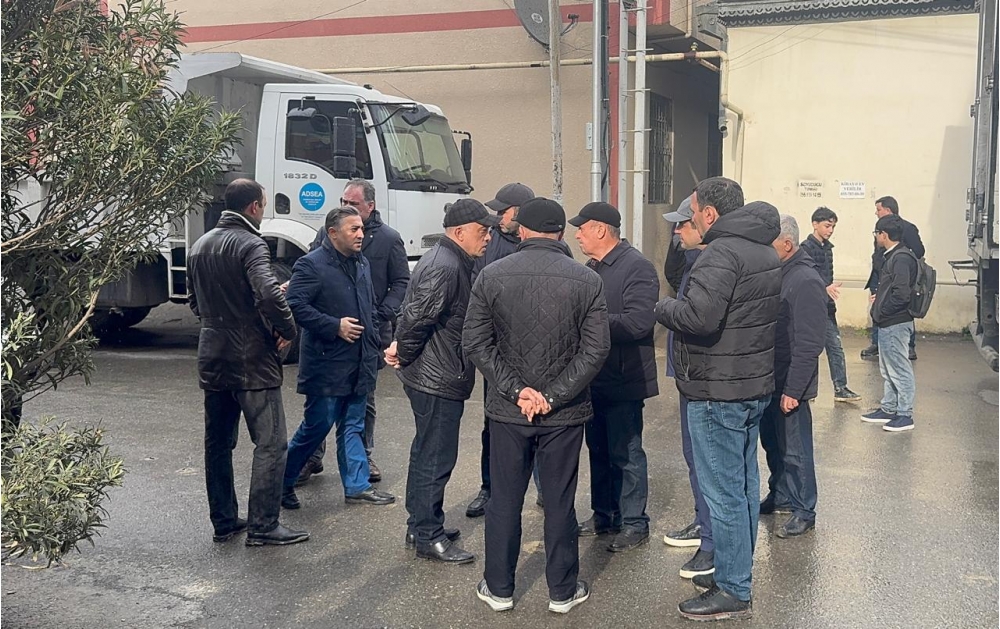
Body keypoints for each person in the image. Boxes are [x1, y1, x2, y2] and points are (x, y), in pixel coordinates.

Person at [463, 197, 610, 614]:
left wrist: (516, 391)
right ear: (560, 233)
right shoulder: (587, 279)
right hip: (564, 412)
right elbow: (596, 349)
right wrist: (553, 396)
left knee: (504, 498)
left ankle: (499, 588)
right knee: (560, 500)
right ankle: (562, 591)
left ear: (523, 231)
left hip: (509, 411)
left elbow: (475, 341)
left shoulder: (492, 274)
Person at [654, 177, 781, 621]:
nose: (688, 221)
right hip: (748, 386)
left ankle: (733, 589)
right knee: (742, 489)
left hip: (717, 391)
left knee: (724, 494)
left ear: (709, 214)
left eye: (692, 213)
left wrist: (661, 306)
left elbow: (698, 318)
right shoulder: (762, 249)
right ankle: (733, 573)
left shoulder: (721, 253)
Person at [187, 178, 308, 547]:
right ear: (254, 206)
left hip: (212, 353)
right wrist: (287, 328)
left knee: (218, 443)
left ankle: (224, 521)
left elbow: (194, 302)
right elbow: (268, 293)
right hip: (252, 358)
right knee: (271, 442)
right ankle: (264, 525)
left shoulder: (199, 244)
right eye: (263, 204)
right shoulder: (251, 243)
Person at [384, 199, 494, 564]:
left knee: (426, 451)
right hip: (436, 376)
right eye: (482, 231)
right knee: (435, 456)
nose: (488, 238)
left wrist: (404, 351)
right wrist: (403, 352)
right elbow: (416, 318)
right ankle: (428, 536)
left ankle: (420, 525)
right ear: (459, 232)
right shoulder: (446, 266)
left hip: (436, 371)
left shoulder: (449, 260)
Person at [281, 206, 395, 510]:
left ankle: (357, 486)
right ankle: (281, 481)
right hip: (326, 366)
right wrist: (334, 326)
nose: (361, 234)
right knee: (316, 427)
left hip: (360, 363)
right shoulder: (311, 265)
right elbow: (294, 305)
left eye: (362, 229)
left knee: (354, 425)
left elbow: (368, 308)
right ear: (333, 233)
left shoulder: (361, 262)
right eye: (353, 229)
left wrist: (375, 346)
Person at [298, 179, 409, 486]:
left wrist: (381, 314)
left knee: (362, 402)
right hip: (332, 337)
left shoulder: (389, 239)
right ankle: (310, 457)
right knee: (322, 403)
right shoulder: (328, 232)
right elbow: (310, 274)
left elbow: (401, 281)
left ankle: (362, 457)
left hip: (369, 333)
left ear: (370, 207)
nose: (347, 206)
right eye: (344, 201)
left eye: (353, 203)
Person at [570, 202, 658, 553]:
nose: (577, 235)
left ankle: (635, 522)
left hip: (624, 377)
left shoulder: (637, 267)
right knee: (598, 450)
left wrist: (590, 324)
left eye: (582, 228)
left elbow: (639, 322)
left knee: (627, 452)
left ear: (601, 230)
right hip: (594, 377)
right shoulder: (592, 268)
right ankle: (604, 514)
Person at [467, 182, 542, 518]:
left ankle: (544, 488)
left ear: (520, 213)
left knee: (543, 419)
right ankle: (490, 488)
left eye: (503, 210)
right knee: (494, 425)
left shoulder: (548, 244)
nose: (498, 217)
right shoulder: (490, 243)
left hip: (541, 352)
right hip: (499, 355)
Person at [760, 215, 827, 539]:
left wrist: (795, 390)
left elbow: (810, 342)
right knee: (774, 444)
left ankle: (804, 510)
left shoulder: (805, 280)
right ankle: (781, 495)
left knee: (796, 450)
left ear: (787, 244)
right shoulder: (780, 273)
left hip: (791, 383)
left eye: (769, 243)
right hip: (772, 378)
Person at [659, 195, 715, 581]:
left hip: (705, 379)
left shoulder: (714, 264)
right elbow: (672, 273)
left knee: (708, 462)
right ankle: (703, 522)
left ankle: (712, 543)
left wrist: (663, 309)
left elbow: (697, 318)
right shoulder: (693, 258)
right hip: (688, 374)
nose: (677, 230)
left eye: (684, 223)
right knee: (694, 457)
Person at [861, 214, 918, 432]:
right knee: (888, 369)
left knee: (899, 368)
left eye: (877, 233)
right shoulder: (894, 255)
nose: (876, 237)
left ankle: (904, 414)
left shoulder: (900, 258)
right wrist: (881, 301)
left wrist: (882, 310)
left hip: (895, 322)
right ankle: (889, 408)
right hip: (889, 322)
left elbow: (901, 294)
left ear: (883, 234)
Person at [800, 207, 860, 403]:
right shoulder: (806, 249)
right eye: (827, 226)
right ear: (815, 224)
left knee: (835, 347)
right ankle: (805, 390)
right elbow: (806, 277)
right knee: (810, 349)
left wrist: (828, 291)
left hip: (827, 307)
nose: (830, 230)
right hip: (811, 308)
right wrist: (823, 288)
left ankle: (840, 387)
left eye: (833, 226)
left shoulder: (828, 249)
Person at [861, 196, 924, 361]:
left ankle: (908, 345)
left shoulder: (907, 229)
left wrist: (900, 263)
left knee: (899, 307)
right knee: (877, 303)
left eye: (878, 209)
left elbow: (919, 251)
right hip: (880, 272)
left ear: (888, 210)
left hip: (897, 273)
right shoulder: (880, 228)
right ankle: (877, 342)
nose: (876, 213)